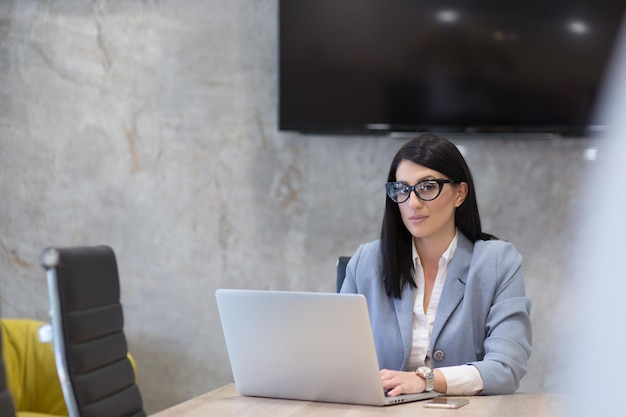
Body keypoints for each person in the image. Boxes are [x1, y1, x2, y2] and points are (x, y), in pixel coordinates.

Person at [340, 132, 532, 396]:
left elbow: (506, 368)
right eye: (402, 190)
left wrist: (426, 380)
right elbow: (338, 361)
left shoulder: (497, 262)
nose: (413, 203)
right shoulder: (367, 261)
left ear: (459, 194)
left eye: (427, 187)